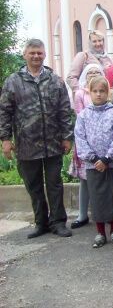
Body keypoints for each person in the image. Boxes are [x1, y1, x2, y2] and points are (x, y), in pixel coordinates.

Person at [0, 39, 73, 238]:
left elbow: (64, 110)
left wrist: (67, 137)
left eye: (39, 53)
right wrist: (5, 139)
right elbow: (4, 112)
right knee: (33, 186)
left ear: (44, 54)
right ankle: (41, 222)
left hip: (53, 143)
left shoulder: (55, 80)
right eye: (32, 52)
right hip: (26, 144)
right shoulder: (13, 81)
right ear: (25, 54)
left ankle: (58, 222)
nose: (36, 56)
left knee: (55, 184)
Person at [74, 76, 113, 248]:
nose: (98, 94)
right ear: (89, 92)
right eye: (95, 91)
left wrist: (106, 158)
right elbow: (80, 138)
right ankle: (100, 233)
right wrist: (94, 159)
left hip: (110, 163)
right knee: (97, 199)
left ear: (108, 92)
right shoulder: (83, 115)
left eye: (102, 91)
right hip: (93, 165)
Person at [69, 63, 105, 230]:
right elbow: (80, 117)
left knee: (106, 179)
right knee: (85, 180)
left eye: (97, 71)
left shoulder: (106, 93)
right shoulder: (80, 94)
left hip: (104, 147)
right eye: (90, 72)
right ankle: (82, 214)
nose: (93, 74)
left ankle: (106, 213)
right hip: (86, 145)